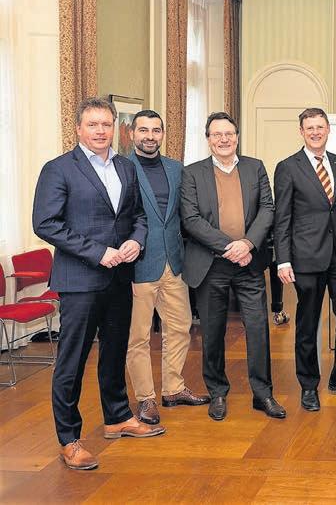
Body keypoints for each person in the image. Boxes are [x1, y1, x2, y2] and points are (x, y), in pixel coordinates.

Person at [33, 97, 163, 470]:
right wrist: (97, 252)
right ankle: (69, 439)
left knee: (115, 351)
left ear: (115, 128)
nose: (101, 131)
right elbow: (46, 223)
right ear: (78, 128)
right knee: (72, 361)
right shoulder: (58, 169)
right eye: (93, 124)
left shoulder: (126, 167)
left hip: (120, 276)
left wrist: (137, 240)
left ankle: (118, 417)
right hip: (80, 280)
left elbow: (138, 215)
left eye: (106, 124)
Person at [180, 112, 285, 421]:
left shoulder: (255, 167)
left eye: (228, 134)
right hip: (211, 265)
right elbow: (191, 219)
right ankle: (217, 393)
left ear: (237, 137)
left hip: (249, 264)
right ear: (208, 139)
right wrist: (231, 247)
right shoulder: (192, 173)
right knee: (212, 333)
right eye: (217, 134)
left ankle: (263, 394)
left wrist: (248, 244)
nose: (223, 139)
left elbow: (267, 208)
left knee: (258, 329)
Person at [274, 107, 336, 412]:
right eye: (310, 128)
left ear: (328, 129)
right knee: (307, 323)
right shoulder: (288, 167)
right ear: (301, 132)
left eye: (320, 127)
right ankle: (308, 385)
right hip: (306, 257)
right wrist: (283, 260)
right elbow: (282, 218)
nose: (315, 132)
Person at [125, 110, 210, 426]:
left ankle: (173, 389)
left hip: (174, 263)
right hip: (137, 265)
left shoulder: (176, 169)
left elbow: (186, 214)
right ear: (132, 133)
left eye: (156, 130)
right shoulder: (121, 168)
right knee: (138, 337)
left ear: (163, 134)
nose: (150, 136)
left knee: (180, 327)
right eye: (143, 130)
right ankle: (145, 398)